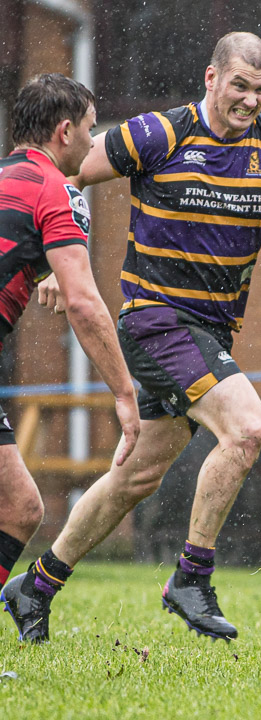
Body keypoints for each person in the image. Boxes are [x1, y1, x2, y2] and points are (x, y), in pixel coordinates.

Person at [4, 32, 261, 643]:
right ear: (211, 79)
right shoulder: (158, 134)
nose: (251, 101)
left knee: (137, 475)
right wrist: (50, 262)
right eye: (239, 87)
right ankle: (192, 577)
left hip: (212, 329)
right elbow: (67, 178)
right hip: (154, 320)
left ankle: (36, 585)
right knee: (248, 428)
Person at [0, 75, 141, 640]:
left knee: (18, 506)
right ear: (64, 131)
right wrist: (125, 396)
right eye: (89, 127)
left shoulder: (11, 180)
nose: (93, 138)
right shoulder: (53, 192)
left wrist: (45, 267)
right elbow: (85, 303)